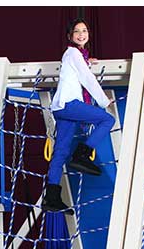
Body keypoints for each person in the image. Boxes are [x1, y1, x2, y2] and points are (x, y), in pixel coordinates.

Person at [43, 19, 116, 212]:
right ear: (70, 36)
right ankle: (82, 155)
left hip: (60, 107)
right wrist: (104, 101)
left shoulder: (74, 55)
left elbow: (78, 70)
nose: (81, 34)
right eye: (77, 31)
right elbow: (87, 78)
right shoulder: (73, 53)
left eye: (84, 31)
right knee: (107, 119)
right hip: (69, 104)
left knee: (60, 152)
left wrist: (86, 62)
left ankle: (51, 197)